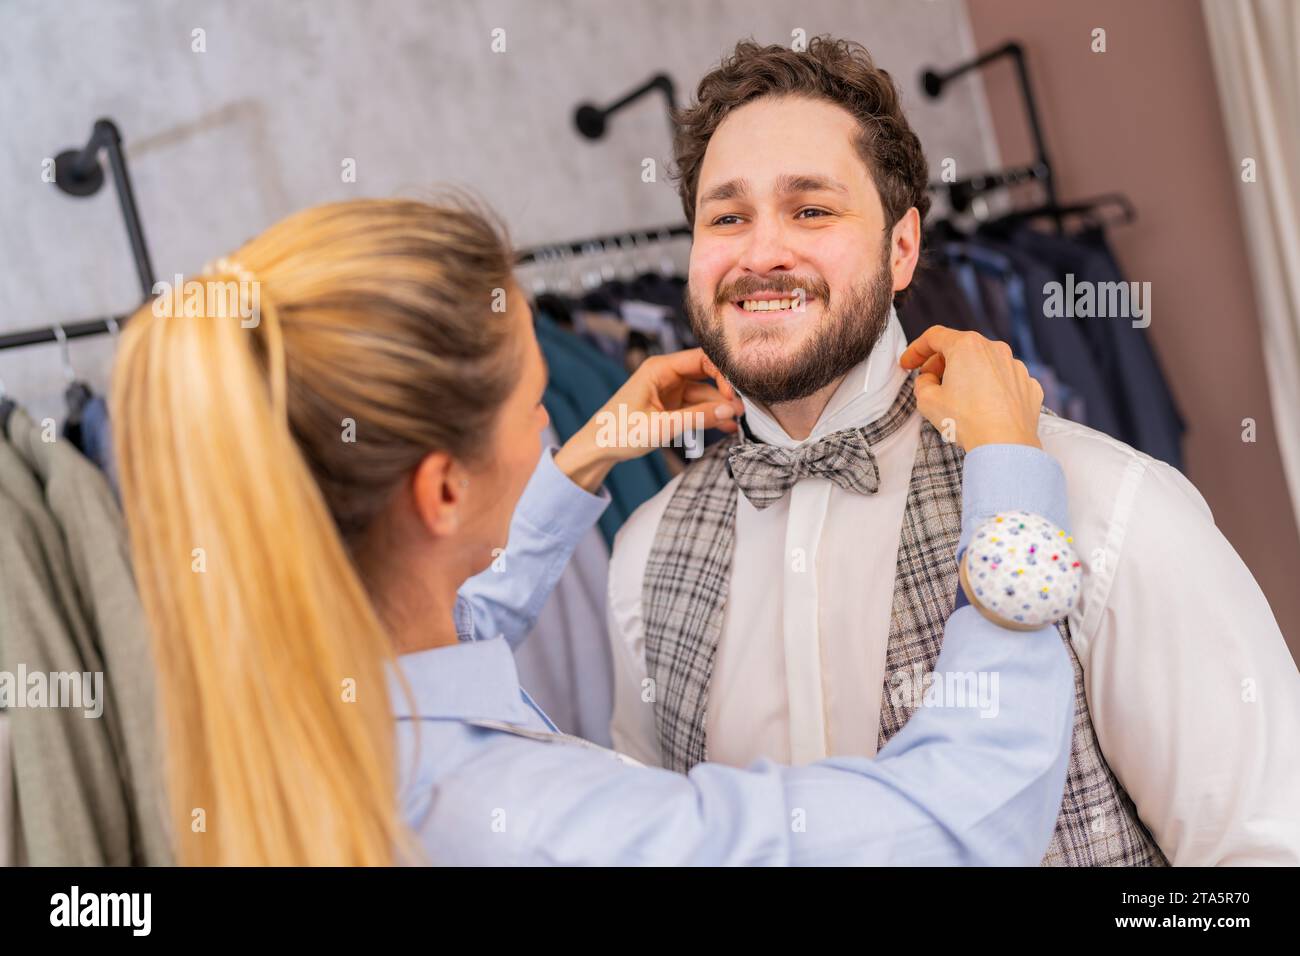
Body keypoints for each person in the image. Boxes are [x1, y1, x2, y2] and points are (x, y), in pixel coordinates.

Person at [112, 196, 1074, 865]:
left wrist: (582, 463)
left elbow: (459, 636)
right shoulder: (542, 831)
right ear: (439, 492)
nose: (550, 423)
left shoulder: (307, 712)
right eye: (537, 405)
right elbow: (968, 823)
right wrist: (1013, 485)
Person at [606, 36, 1300, 865]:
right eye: (726, 217)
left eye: (811, 209)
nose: (761, 254)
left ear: (902, 249)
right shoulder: (644, 551)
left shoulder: (1109, 504)